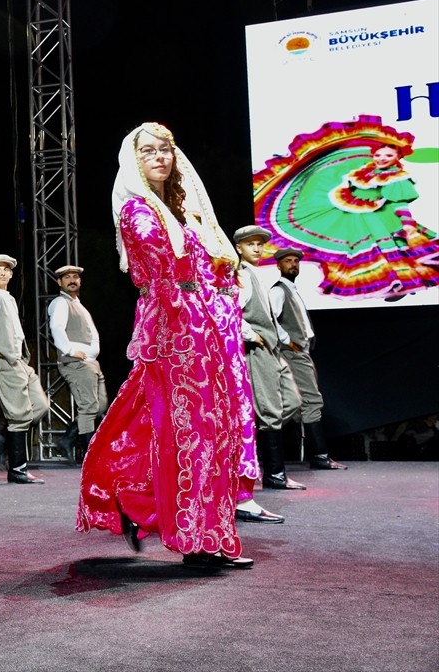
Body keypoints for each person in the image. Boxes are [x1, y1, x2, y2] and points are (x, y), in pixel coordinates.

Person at [75, 122, 257, 569]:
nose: (160, 157)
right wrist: (200, 295)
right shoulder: (138, 212)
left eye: (166, 150)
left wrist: (222, 295)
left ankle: (140, 503)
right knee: (189, 430)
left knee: (196, 428)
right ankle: (195, 539)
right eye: (149, 151)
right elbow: (163, 275)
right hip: (174, 330)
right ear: (134, 160)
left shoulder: (182, 212)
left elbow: (208, 269)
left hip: (204, 329)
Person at [252, 116, 439, 301]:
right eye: (378, 155)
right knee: (373, 252)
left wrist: (407, 224)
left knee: (391, 252)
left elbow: (400, 202)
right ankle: (394, 284)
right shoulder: (364, 171)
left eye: (388, 155)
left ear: (398, 157)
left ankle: (400, 282)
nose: (382, 159)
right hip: (363, 219)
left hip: (383, 220)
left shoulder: (396, 177)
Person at [232, 226, 305, 507]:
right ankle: (275, 473)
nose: (257, 249)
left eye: (260, 245)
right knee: (270, 410)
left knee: (292, 401)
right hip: (258, 348)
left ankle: (264, 462)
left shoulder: (258, 274)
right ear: (239, 248)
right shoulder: (241, 275)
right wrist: (252, 335)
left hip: (272, 348)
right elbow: (231, 310)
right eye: (251, 245)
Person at [0, 254, 51, 485]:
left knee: (41, 405)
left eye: (6, 269)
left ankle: (2, 440)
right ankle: (17, 470)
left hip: (20, 362)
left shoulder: (8, 298)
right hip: (4, 362)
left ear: (12, 273)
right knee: (19, 415)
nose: (3, 273)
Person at [270, 247, 348, 471]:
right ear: (278, 265)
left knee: (303, 403)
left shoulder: (291, 290)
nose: (293, 265)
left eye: (296, 261)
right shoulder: (279, 291)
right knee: (311, 401)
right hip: (292, 353)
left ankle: (319, 455)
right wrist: (287, 340)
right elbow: (270, 319)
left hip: (301, 352)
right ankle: (320, 456)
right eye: (288, 261)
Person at [46, 264, 108, 464]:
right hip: (76, 362)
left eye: (75, 277)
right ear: (59, 282)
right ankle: (88, 456)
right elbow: (56, 327)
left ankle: (68, 438)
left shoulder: (78, 303)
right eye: (67, 277)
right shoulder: (60, 302)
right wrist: (71, 351)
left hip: (91, 362)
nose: (72, 280)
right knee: (89, 407)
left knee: (100, 406)